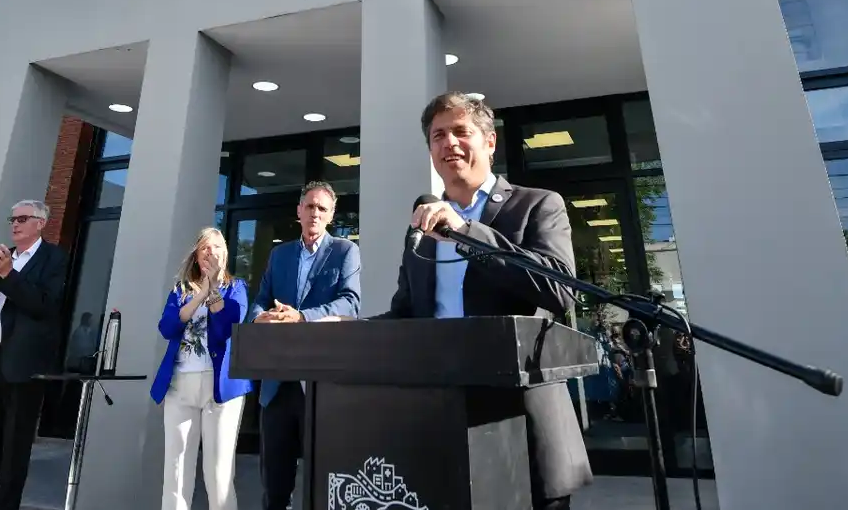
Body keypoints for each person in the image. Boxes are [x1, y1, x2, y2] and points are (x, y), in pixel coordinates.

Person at [385, 92, 592, 510]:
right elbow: (407, 315)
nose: (449, 143)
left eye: (460, 131)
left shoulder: (537, 205)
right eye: (438, 136)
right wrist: (338, 326)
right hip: (444, 423)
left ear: (490, 141)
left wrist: (467, 232)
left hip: (522, 426)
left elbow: (560, 290)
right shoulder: (423, 230)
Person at [246, 181, 361, 510]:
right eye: (310, 206)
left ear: (332, 215)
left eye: (322, 208)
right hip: (277, 385)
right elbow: (261, 299)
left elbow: (350, 303)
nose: (315, 213)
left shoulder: (345, 251)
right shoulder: (279, 254)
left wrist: (301, 317)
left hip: (320, 384)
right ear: (299, 211)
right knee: (275, 488)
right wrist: (260, 317)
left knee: (323, 484)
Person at [0, 200, 68, 510]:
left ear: (40, 223)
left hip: (26, 365)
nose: (15, 224)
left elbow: (43, 306)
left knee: (13, 450)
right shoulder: (3, 256)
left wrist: (8, 275)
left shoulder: (54, 258)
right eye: (13, 219)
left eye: (22, 219)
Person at [152, 227, 251, 510]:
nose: (211, 252)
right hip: (180, 385)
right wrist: (200, 295)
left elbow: (231, 326)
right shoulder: (180, 290)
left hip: (220, 388)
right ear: (197, 255)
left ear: (225, 255)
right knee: (176, 469)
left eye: (217, 246)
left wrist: (214, 291)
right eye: (205, 247)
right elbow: (167, 327)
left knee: (218, 472)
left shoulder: (237, 287)